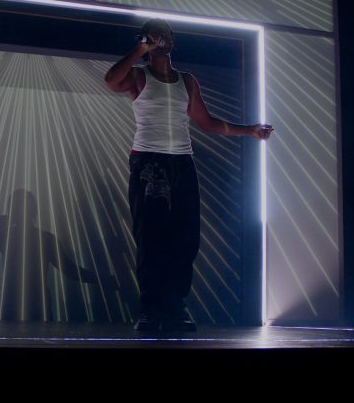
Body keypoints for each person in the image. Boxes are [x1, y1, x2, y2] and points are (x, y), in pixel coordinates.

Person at [104, 18, 273, 332]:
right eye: (155, 35)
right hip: (149, 162)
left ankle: (175, 308)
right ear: (147, 40)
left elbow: (207, 122)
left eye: (165, 34)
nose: (161, 39)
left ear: (173, 41)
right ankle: (150, 311)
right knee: (151, 238)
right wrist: (140, 49)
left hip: (182, 162)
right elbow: (112, 81)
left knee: (186, 239)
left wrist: (248, 130)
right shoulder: (139, 76)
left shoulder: (187, 81)